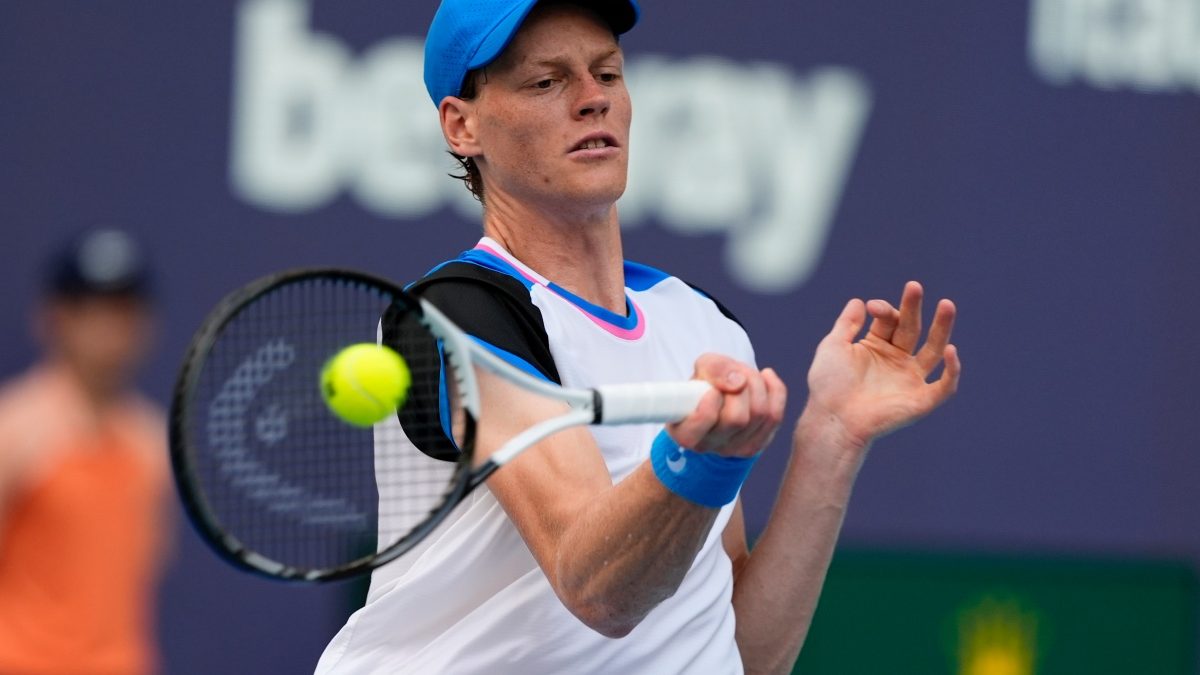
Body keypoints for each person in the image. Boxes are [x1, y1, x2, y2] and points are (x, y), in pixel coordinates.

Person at [317, 1, 961, 673]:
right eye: (547, 81)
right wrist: (697, 461)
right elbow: (598, 589)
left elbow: (741, 654)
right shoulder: (459, 315)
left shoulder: (702, 323)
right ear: (462, 125)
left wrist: (831, 437)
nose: (592, 98)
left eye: (607, 74)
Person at [0, 229, 173, 675]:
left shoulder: (150, 441)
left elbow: (143, 569)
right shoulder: (13, 431)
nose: (110, 328)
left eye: (123, 310)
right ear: (53, 318)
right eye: (91, 309)